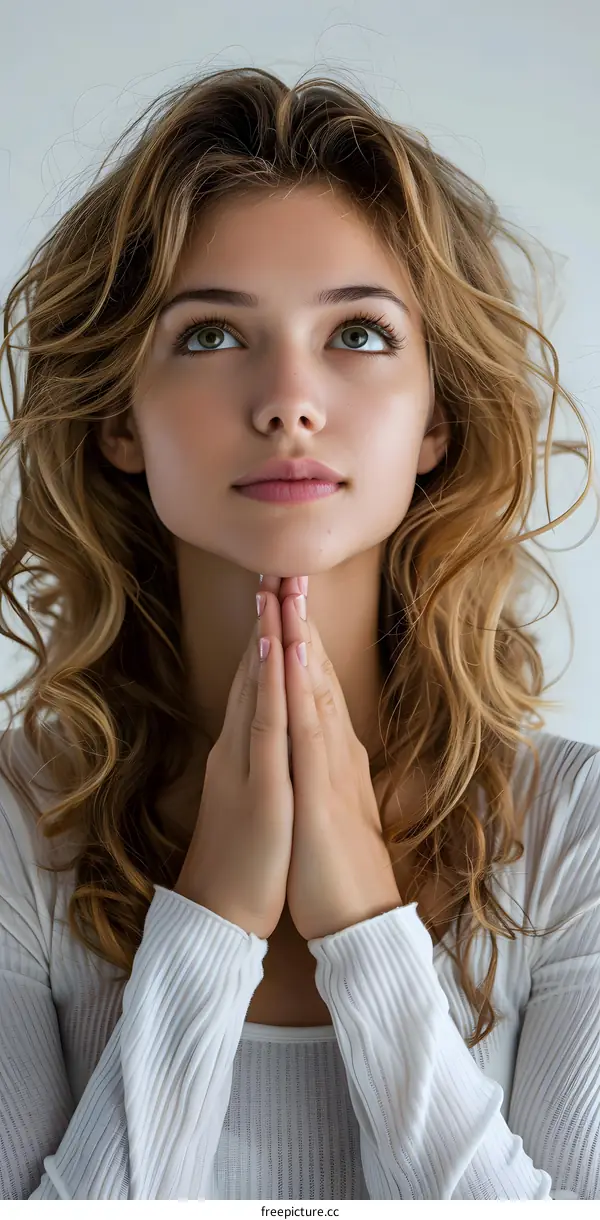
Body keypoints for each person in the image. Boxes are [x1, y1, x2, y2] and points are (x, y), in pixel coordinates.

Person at [0, 66, 598, 1202]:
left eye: (360, 334)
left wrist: (366, 929)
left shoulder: (578, 837)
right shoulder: (12, 831)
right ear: (120, 419)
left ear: (438, 419)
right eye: (214, 333)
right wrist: (213, 915)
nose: (288, 398)